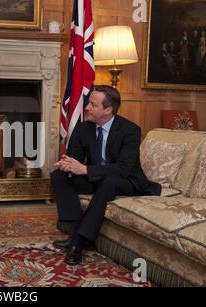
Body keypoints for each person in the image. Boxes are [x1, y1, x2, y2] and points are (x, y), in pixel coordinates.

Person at [50, 85, 161, 265]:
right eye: (88, 103)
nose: (87, 107)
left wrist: (85, 170)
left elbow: (123, 168)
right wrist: (67, 164)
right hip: (97, 178)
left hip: (126, 181)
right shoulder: (84, 128)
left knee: (109, 181)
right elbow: (75, 157)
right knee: (58, 176)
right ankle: (76, 230)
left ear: (108, 110)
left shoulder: (130, 130)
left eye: (93, 105)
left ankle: (77, 242)